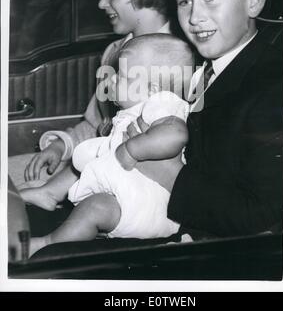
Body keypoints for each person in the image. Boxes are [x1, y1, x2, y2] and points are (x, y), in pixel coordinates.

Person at [9, 0, 175, 193]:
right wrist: (61, 146)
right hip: (90, 165)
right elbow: (97, 125)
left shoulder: (177, 61)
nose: (101, 3)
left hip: (129, 187)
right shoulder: (113, 54)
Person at [161, 0, 283, 238]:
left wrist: (168, 174)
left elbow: (264, 217)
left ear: (253, 1)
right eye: (184, 2)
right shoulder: (205, 66)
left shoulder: (275, 90)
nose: (194, 17)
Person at [28, 34, 194, 255]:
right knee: (90, 162)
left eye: (123, 76)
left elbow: (176, 135)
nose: (112, 81)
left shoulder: (162, 104)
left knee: (94, 209)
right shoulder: (137, 109)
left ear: (153, 89)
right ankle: (50, 194)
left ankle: (48, 244)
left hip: (149, 205)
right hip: (130, 193)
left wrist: (132, 149)